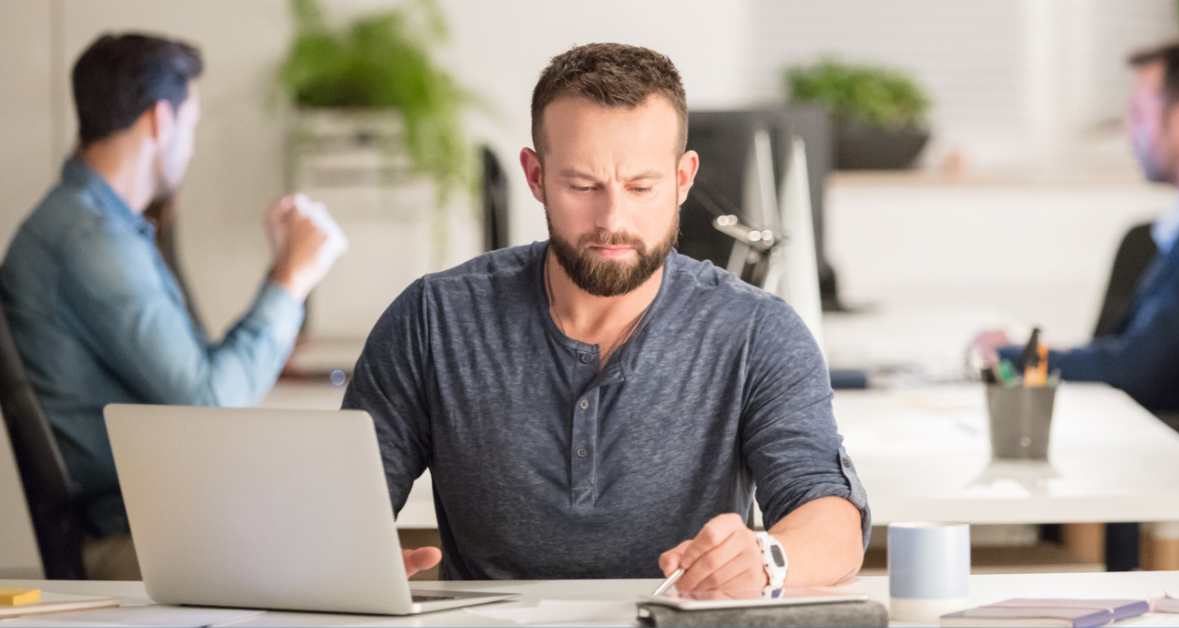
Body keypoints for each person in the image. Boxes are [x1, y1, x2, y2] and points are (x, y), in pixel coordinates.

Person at [342, 43, 868, 593]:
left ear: (684, 178)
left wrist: (767, 560)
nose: (612, 219)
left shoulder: (758, 332)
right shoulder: (433, 320)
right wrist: (341, 558)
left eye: (642, 187)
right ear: (535, 175)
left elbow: (833, 523)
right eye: (582, 186)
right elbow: (342, 507)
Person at [0, 33, 345, 579]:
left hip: (156, 526)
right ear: (162, 120)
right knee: (342, 550)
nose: (191, 144)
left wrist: (280, 276)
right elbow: (210, 404)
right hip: (135, 543)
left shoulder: (95, 228)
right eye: (191, 125)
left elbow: (191, 377)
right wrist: (291, 281)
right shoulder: (91, 241)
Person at [974, 42, 1179, 414]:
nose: (1127, 130)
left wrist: (1009, 357)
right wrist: (1034, 351)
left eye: (1138, 115)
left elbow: (1138, 371)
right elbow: (1135, 352)